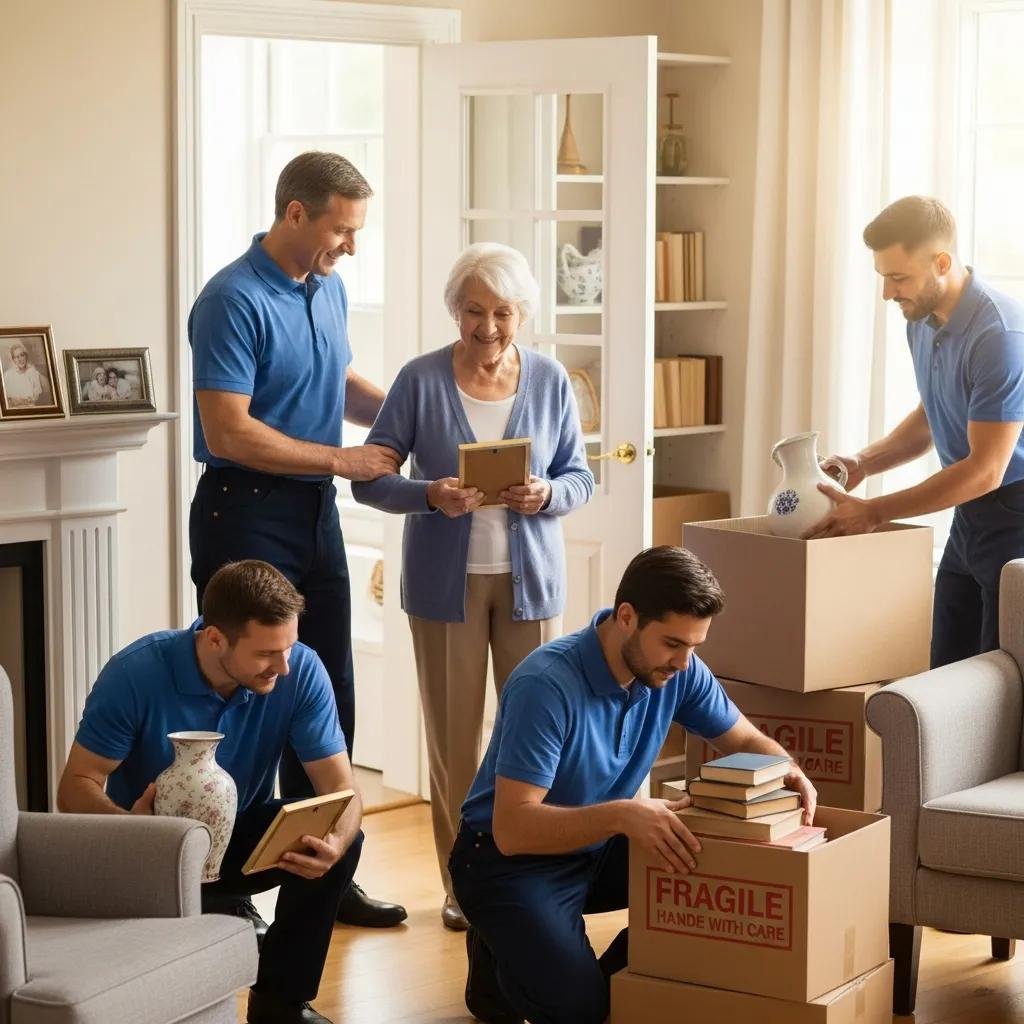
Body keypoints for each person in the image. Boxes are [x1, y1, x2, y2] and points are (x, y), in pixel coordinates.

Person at [448, 546, 818, 1024]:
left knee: (730, 881)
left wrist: (786, 767)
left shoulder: (676, 670)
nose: (684, 663)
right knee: (581, 1009)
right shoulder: (545, 685)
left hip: (598, 844)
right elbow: (514, 829)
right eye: (672, 644)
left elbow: (742, 737)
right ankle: (505, 942)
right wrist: (626, 814)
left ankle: (514, 946)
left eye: (694, 647)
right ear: (627, 617)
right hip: (506, 861)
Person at [187, 151, 406, 928]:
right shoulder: (231, 300)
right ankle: (222, 886)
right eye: (342, 230)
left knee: (326, 692)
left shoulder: (329, 288)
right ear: (295, 213)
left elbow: (340, 382)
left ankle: (328, 876)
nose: (350, 246)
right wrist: (345, 459)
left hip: (313, 511)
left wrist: (414, 417)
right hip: (243, 509)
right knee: (244, 693)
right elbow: (229, 429)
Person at [352, 241, 595, 931]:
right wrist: (430, 494)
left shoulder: (549, 380)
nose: (488, 328)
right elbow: (370, 478)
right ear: (454, 311)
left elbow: (581, 475)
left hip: (532, 588)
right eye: (473, 312)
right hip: (444, 591)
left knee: (538, 742)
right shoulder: (421, 380)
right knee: (455, 747)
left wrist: (546, 493)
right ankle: (463, 887)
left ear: (524, 314)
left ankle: (533, 880)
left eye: (503, 313)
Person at [57, 560, 361, 1024]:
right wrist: (132, 830)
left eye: (289, 647)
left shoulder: (298, 667)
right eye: (265, 654)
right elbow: (75, 785)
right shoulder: (135, 672)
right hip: (148, 850)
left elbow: (342, 789)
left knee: (342, 834)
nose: (283, 666)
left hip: (236, 841)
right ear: (215, 638)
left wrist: (335, 843)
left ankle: (280, 1000)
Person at [806, 196, 1024, 667]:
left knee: (998, 683)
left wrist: (874, 512)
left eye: (898, 277)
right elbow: (933, 413)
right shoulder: (923, 320)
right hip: (968, 513)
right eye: (884, 277)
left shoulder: (1000, 336)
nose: (888, 293)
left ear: (941, 262)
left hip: (1014, 517)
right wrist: (863, 462)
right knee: (946, 671)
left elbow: (987, 470)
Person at [3, 341, 45, 406]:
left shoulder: (34, 373)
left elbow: (36, 397)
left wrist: (21, 401)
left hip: (30, 409)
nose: (20, 359)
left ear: (26, 356)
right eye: (17, 357)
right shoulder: (7, 375)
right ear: (13, 360)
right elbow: (6, 399)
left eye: (22, 355)